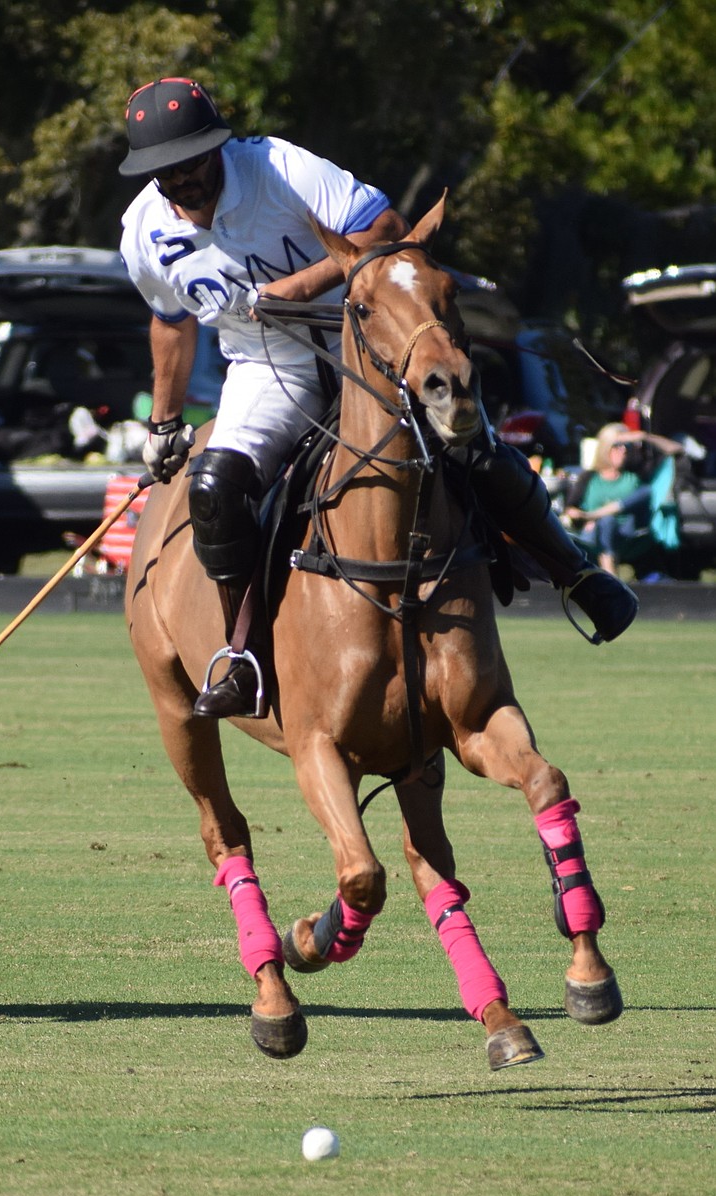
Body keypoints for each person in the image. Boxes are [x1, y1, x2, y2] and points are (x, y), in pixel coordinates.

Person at [118, 77, 638, 719]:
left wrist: (299, 287)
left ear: (217, 146)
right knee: (215, 488)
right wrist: (164, 422)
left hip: (366, 335)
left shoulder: (278, 167)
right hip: (268, 366)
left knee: (467, 441)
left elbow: (387, 228)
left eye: (193, 162)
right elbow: (171, 322)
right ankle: (245, 658)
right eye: (166, 172)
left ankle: (576, 572)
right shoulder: (141, 231)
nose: (184, 181)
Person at [564, 423, 683, 576]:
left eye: (627, 445)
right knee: (602, 525)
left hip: (628, 534)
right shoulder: (589, 477)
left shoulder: (635, 474)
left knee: (636, 498)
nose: (624, 450)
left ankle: (609, 573)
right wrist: (581, 517)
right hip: (592, 535)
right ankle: (607, 573)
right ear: (605, 448)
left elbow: (678, 450)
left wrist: (643, 436)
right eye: (617, 445)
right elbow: (570, 508)